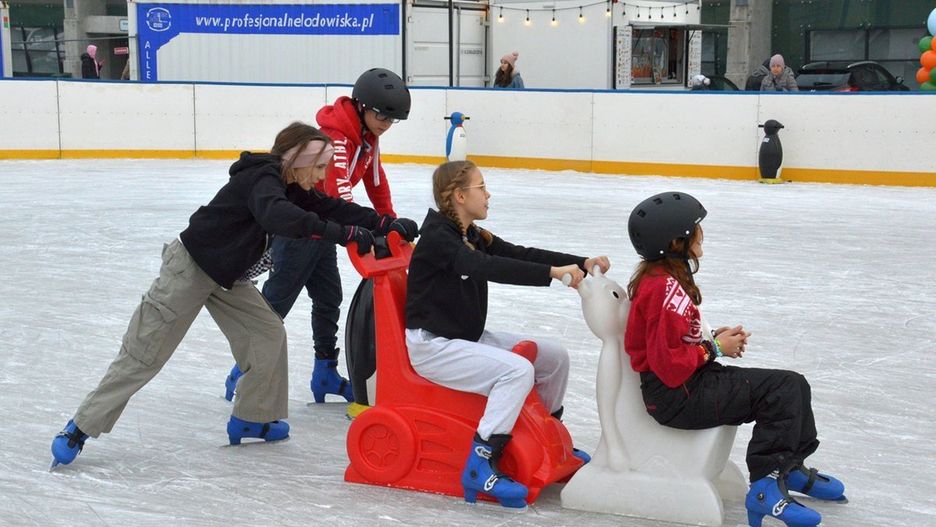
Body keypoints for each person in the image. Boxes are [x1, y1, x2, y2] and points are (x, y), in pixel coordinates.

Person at [50, 122, 418, 467]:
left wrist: (383, 222)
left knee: (267, 333)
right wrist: (345, 235)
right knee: (145, 353)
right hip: (192, 268)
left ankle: (251, 418)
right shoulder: (262, 179)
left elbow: (332, 207)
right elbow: (278, 216)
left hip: (229, 277)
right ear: (298, 160)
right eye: (319, 167)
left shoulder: (291, 187)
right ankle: (80, 427)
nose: (322, 176)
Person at [624, 192, 845, 527]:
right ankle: (765, 488)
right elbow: (669, 368)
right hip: (677, 397)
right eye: (695, 229)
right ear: (675, 241)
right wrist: (714, 347)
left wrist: (710, 339)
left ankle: (789, 467)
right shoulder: (660, 290)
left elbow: (670, 341)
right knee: (781, 390)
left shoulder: (663, 280)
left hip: (687, 385)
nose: (702, 234)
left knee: (794, 384)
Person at [404, 160, 610, 509]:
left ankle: (545, 440)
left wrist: (581, 261)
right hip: (433, 346)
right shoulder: (439, 239)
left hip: (463, 338)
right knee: (516, 371)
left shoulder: (470, 234)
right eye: (481, 187)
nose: (488, 194)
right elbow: (487, 267)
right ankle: (481, 463)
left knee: (554, 357)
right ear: (459, 196)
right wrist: (551, 273)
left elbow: (517, 254)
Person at [222, 68, 416, 411]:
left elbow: (376, 180)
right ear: (362, 106)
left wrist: (389, 221)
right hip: (301, 230)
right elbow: (338, 191)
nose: (386, 124)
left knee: (329, 297)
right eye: (382, 116)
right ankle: (244, 371)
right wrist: (363, 231)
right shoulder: (336, 138)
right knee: (276, 303)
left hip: (326, 230)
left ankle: (324, 372)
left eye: (393, 119)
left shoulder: (368, 137)